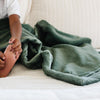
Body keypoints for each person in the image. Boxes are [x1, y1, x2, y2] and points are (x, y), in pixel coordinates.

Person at [0, 0, 22, 70]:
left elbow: (15, 21)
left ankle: (9, 56)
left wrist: (15, 38)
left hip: (4, 29)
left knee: (25, 37)